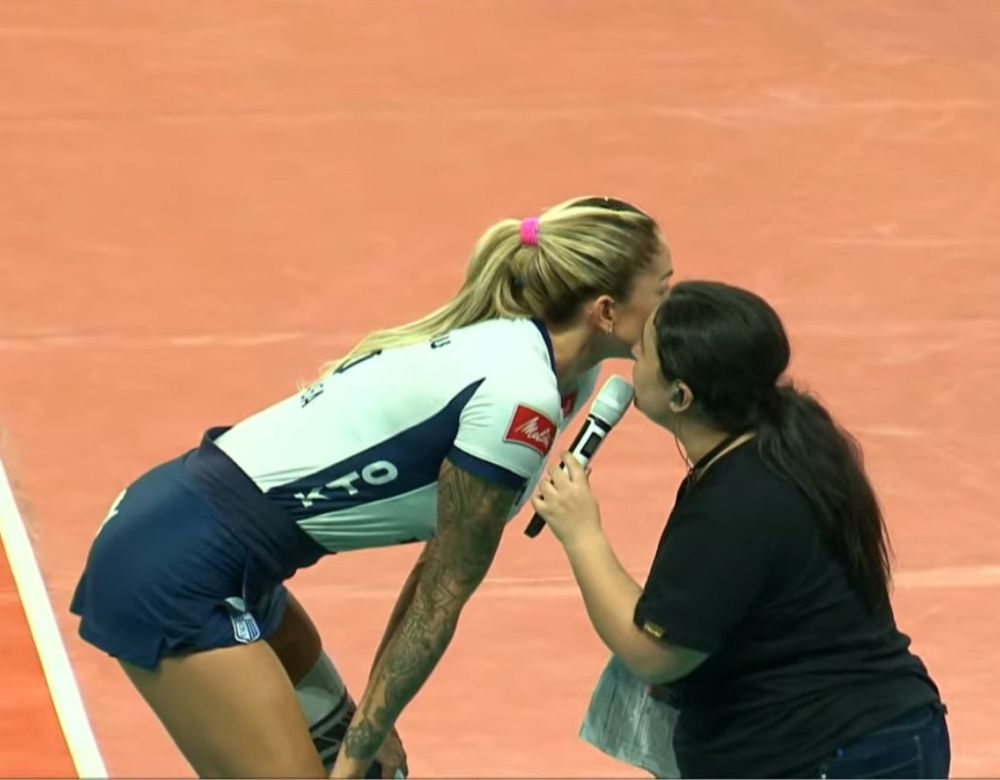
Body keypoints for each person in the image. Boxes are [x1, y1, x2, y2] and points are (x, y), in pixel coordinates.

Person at [69, 196, 674, 778]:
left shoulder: (561, 373)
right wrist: (361, 747)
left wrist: (371, 730)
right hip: (175, 564)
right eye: (664, 290)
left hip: (222, 550)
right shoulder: (523, 393)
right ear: (605, 311)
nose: (674, 308)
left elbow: (438, 566)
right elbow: (442, 593)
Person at [532, 280, 948, 779]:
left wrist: (582, 533)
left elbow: (655, 654)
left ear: (681, 395)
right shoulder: (778, 446)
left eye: (644, 352)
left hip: (839, 754)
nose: (633, 356)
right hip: (868, 738)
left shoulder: (736, 503)